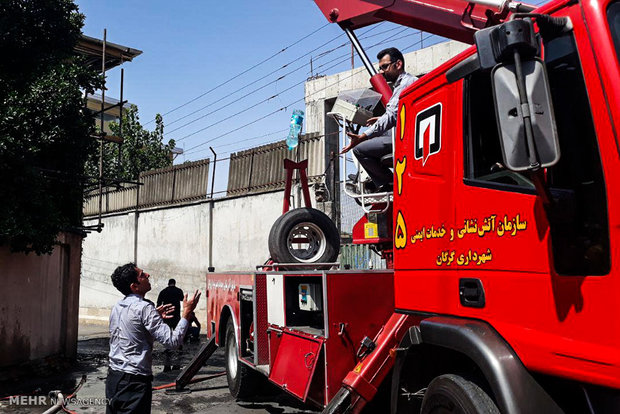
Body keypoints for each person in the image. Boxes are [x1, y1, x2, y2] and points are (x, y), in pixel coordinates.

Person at [105, 263, 201, 413]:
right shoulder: (144, 308)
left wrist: (151, 319)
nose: (148, 275)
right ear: (134, 286)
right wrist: (186, 315)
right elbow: (173, 342)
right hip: (134, 383)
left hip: (113, 379)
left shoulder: (118, 306)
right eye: (142, 275)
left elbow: (132, 334)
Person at [341, 47, 417, 192]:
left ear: (398, 64)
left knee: (359, 150)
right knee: (379, 132)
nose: (381, 72)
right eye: (379, 68)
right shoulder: (405, 82)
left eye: (384, 67)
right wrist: (381, 118)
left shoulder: (405, 84)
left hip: (406, 137)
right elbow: (395, 113)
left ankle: (388, 183)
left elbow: (392, 116)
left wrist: (362, 137)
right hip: (407, 131)